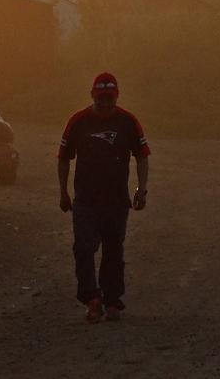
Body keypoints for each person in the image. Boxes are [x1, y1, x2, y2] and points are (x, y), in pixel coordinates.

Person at [57, 72, 150, 323]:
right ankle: (91, 298)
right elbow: (64, 157)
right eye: (101, 99)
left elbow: (142, 156)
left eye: (110, 99)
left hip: (116, 201)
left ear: (117, 96)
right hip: (85, 200)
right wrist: (63, 192)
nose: (106, 104)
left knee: (113, 251)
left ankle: (112, 301)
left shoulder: (128, 122)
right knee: (84, 248)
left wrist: (142, 189)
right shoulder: (77, 122)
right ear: (92, 96)